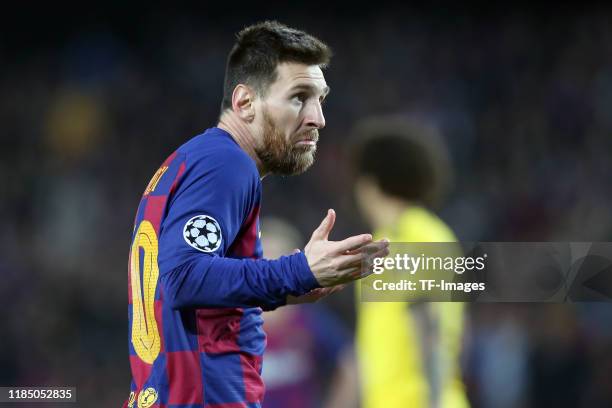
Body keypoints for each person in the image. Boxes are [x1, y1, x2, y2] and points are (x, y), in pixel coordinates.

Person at [124, 21, 388, 408]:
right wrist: (297, 271)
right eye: (299, 97)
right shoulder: (226, 164)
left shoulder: (194, 161)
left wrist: (290, 287)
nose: (318, 118)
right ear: (245, 102)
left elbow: (193, 290)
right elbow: (182, 278)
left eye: (320, 98)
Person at [352, 115, 469, 408]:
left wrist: (434, 401)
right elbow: (463, 332)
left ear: (371, 183)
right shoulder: (402, 238)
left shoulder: (412, 235)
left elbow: (429, 325)